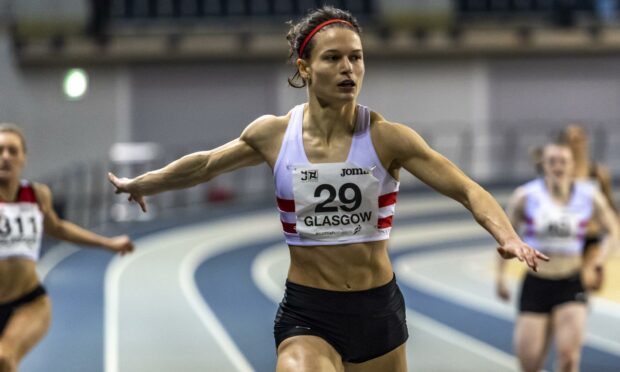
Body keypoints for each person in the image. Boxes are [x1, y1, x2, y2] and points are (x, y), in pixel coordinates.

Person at [108, 6, 548, 372]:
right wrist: (141, 182)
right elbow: (204, 164)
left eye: (356, 58)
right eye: (333, 58)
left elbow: (467, 189)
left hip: (378, 311)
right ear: (304, 67)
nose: (348, 69)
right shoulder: (274, 135)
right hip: (309, 311)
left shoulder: (387, 138)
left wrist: (507, 236)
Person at [0, 123, 134, 372]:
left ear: (23, 158)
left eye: (12, 151)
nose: (5, 157)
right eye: (0, 151)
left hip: (28, 303)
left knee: (4, 357)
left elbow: (59, 228)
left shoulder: (37, 195)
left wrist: (108, 243)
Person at [496, 143, 619, 372]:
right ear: (544, 165)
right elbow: (505, 235)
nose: (558, 166)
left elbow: (614, 231)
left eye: (563, 161)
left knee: (569, 357)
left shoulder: (589, 195)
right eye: (552, 161)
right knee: (529, 362)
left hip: (571, 282)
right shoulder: (526, 196)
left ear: (573, 166)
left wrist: (599, 260)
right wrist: (500, 276)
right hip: (536, 284)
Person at [558, 124, 619, 289]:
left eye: (580, 139)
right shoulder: (560, 174)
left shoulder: (597, 172)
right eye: (571, 139)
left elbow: (609, 203)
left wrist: (614, 229)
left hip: (591, 237)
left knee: (593, 283)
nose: (576, 143)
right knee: (569, 284)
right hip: (567, 237)